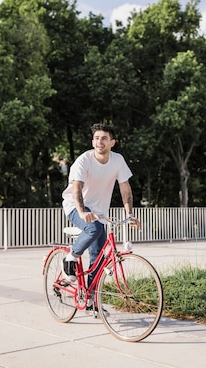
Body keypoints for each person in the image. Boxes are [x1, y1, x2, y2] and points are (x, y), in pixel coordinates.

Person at [61, 123, 139, 291]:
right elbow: (76, 189)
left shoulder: (118, 160)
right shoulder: (84, 160)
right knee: (93, 229)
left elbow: (125, 189)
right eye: (96, 138)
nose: (99, 142)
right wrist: (82, 212)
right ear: (92, 142)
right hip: (75, 206)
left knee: (98, 257)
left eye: (104, 138)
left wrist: (130, 214)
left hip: (99, 212)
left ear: (112, 142)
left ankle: (91, 299)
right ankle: (71, 257)